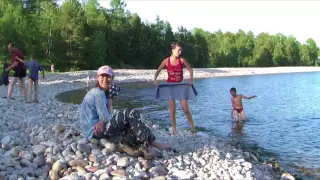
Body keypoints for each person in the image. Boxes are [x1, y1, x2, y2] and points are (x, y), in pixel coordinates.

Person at [79, 65, 171, 158]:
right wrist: (104, 117)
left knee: (133, 123)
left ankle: (151, 145)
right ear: (97, 77)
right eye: (102, 76)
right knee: (131, 113)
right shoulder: (98, 93)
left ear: (112, 78)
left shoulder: (99, 92)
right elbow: (105, 117)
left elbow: (106, 116)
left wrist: (105, 116)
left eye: (108, 76)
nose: (105, 79)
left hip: (92, 130)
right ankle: (147, 145)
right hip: (95, 131)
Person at [154, 42, 195, 134]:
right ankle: (174, 129)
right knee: (172, 110)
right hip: (170, 87)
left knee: (185, 109)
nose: (180, 52)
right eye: (178, 50)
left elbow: (190, 69)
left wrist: (191, 80)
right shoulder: (166, 61)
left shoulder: (182, 60)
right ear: (173, 50)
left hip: (180, 86)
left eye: (181, 50)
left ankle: (192, 127)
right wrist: (155, 79)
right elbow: (158, 70)